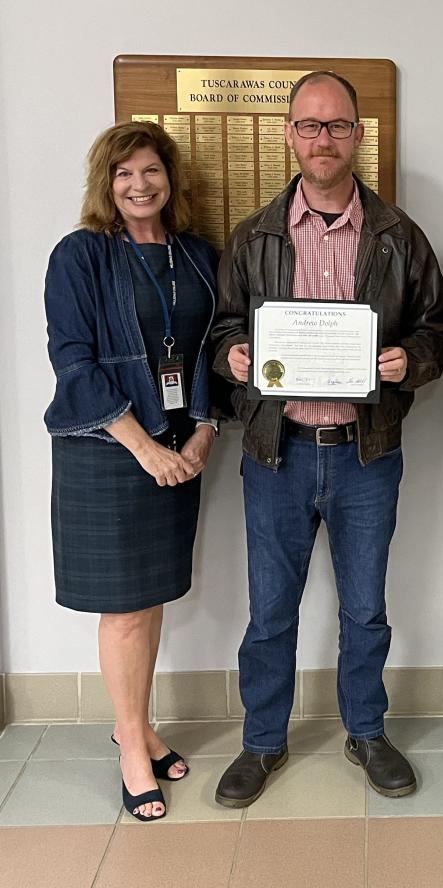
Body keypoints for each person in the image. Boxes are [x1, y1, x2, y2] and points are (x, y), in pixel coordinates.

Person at [210, 71, 443, 807]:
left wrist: (409, 361)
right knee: (270, 611)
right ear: (290, 134)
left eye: (338, 125)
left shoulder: (398, 236)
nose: (324, 139)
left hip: (364, 454)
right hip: (275, 453)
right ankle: (262, 742)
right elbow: (221, 329)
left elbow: (439, 331)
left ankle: (367, 732)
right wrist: (233, 357)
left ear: (357, 136)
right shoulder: (253, 236)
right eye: (310, 125)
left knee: (364, 609)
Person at [43, 121, 221, 821]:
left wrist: (204, 429)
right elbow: (73, 361)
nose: (140, 185)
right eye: (124, 174)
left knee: (151, 602)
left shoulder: (198, 255)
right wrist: (143, 445)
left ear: (170, 179)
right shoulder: (80, 255)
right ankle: (128, 747)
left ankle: (140, 724)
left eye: (150, 170)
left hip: (179, 448)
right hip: (108, 452)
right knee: (122, 611)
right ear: (105, 184)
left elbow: (211, 348)